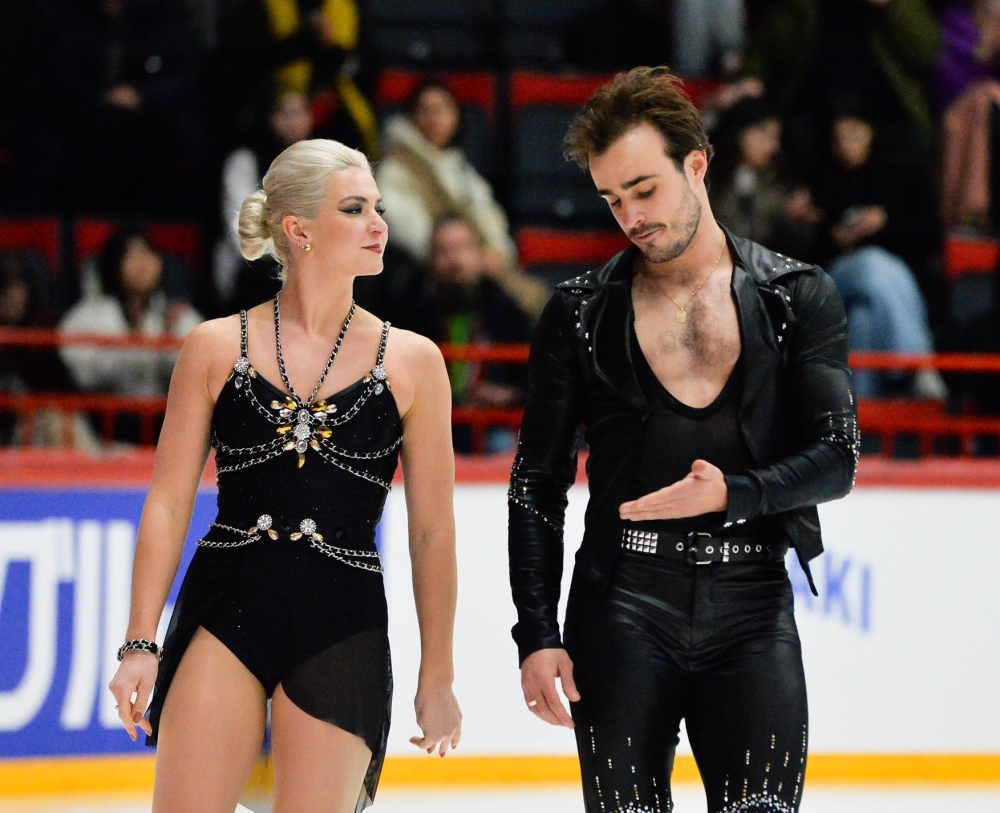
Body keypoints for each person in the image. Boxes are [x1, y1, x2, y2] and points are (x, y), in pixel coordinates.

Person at [507, 67, 858, 813]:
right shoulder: (576, 313)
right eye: (612, 199)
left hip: (753, 603)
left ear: (696, 164)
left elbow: (838, 456)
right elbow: (536, 481)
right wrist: (535, 632)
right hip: (621, 606)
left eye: (645, 189)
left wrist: (736, 492)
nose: (630, 216)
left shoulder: (796, 297)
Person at [107, 139, 461, 812]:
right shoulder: (213, 346)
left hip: (342, 618)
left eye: (378, 208)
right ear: (297, 230)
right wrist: (139, 641)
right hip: (226, 606)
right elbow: (167, 503)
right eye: (355, 209)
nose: (379, 225)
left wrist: (436, 672)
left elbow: (433, 533)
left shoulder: (417, 362)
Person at [375, 80, 516, 269]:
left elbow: (487, 214)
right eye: (427, 111)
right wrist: (459, 255)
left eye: (444, 110)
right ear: (412, 117)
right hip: (425, 272)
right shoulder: (395, 166)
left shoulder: (459, 167)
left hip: (477, 264)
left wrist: (498, 251)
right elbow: (403, 226)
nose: (436, 119)